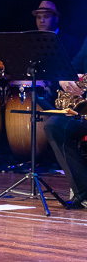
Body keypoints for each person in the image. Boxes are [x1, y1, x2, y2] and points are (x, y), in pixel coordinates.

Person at [43, 76, 87, 209]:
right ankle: (83, 191)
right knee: (54, 125)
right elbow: (65, 69)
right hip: (82, 113)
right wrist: (63, 81)